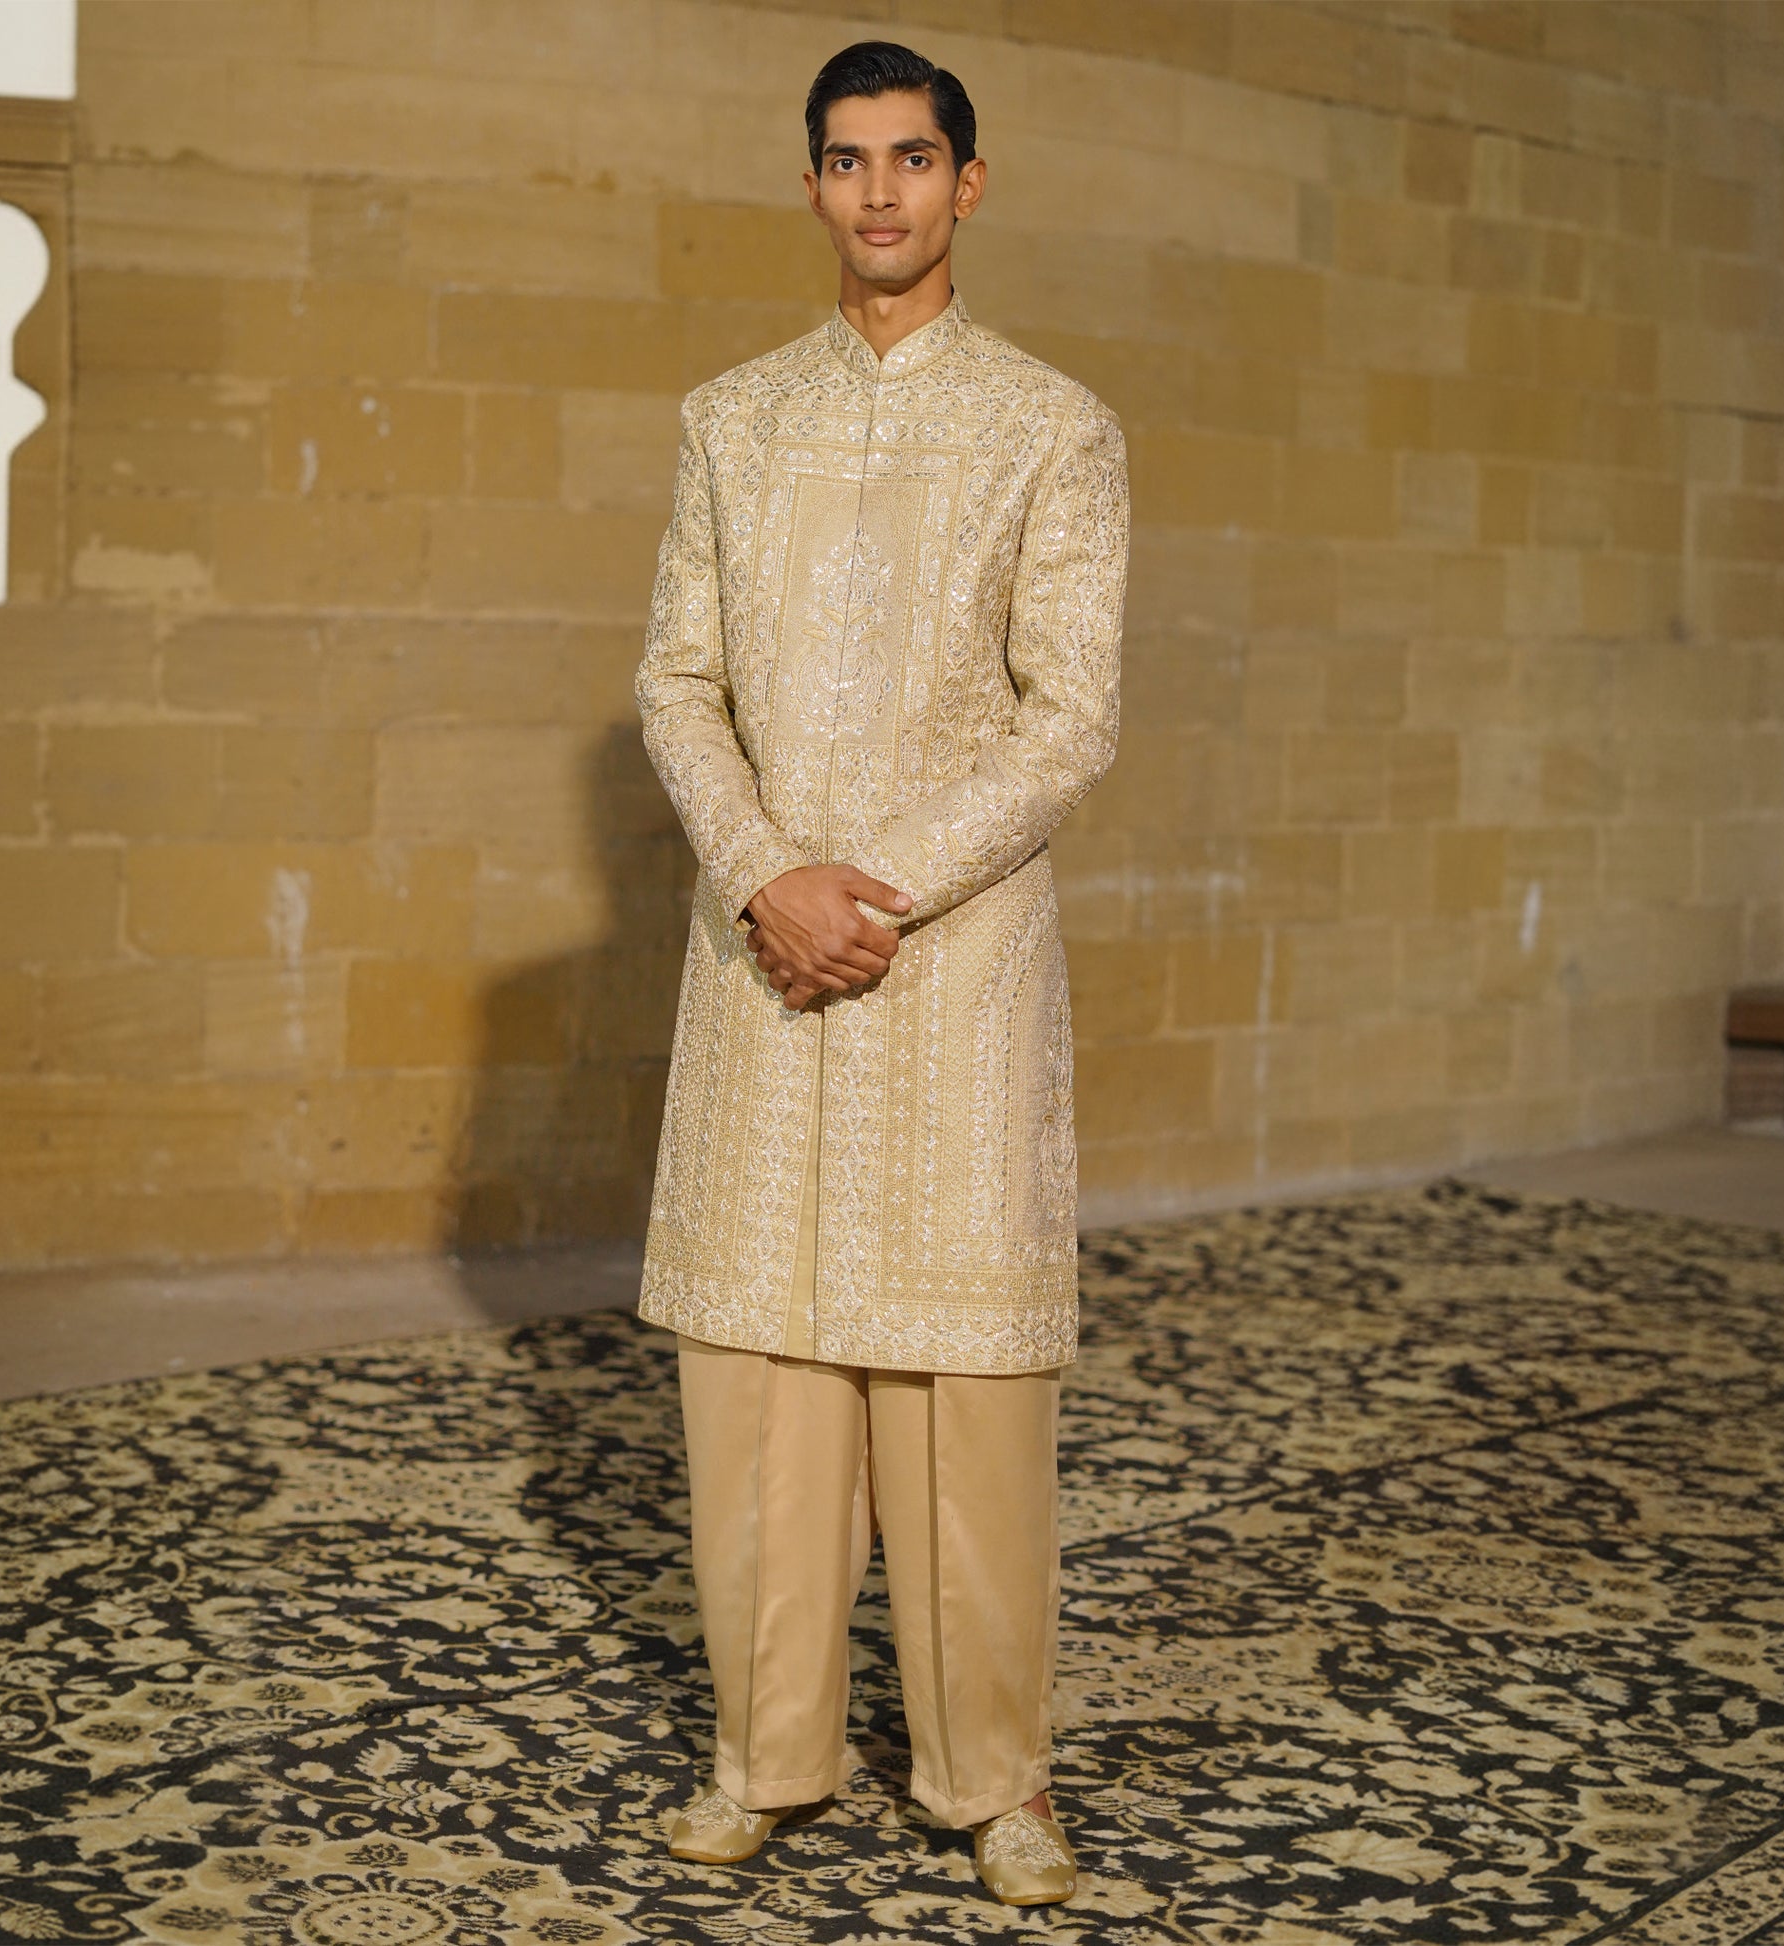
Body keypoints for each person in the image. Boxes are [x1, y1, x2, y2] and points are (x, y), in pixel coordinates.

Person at [631, 38, 1130, 1909]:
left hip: (949, 969)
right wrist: (768, 876)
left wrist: (878, 892)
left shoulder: (1051, 428)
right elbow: (677, 681)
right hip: (761, 960)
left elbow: (1069, 719)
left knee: (960, 1390)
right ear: (812, 185)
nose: (879, 194)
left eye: (912, 160)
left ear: (966, 184)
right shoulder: (729, 418)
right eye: (845, 162)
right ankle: (761, 1756)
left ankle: (994, 1777)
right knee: (756, 1374)